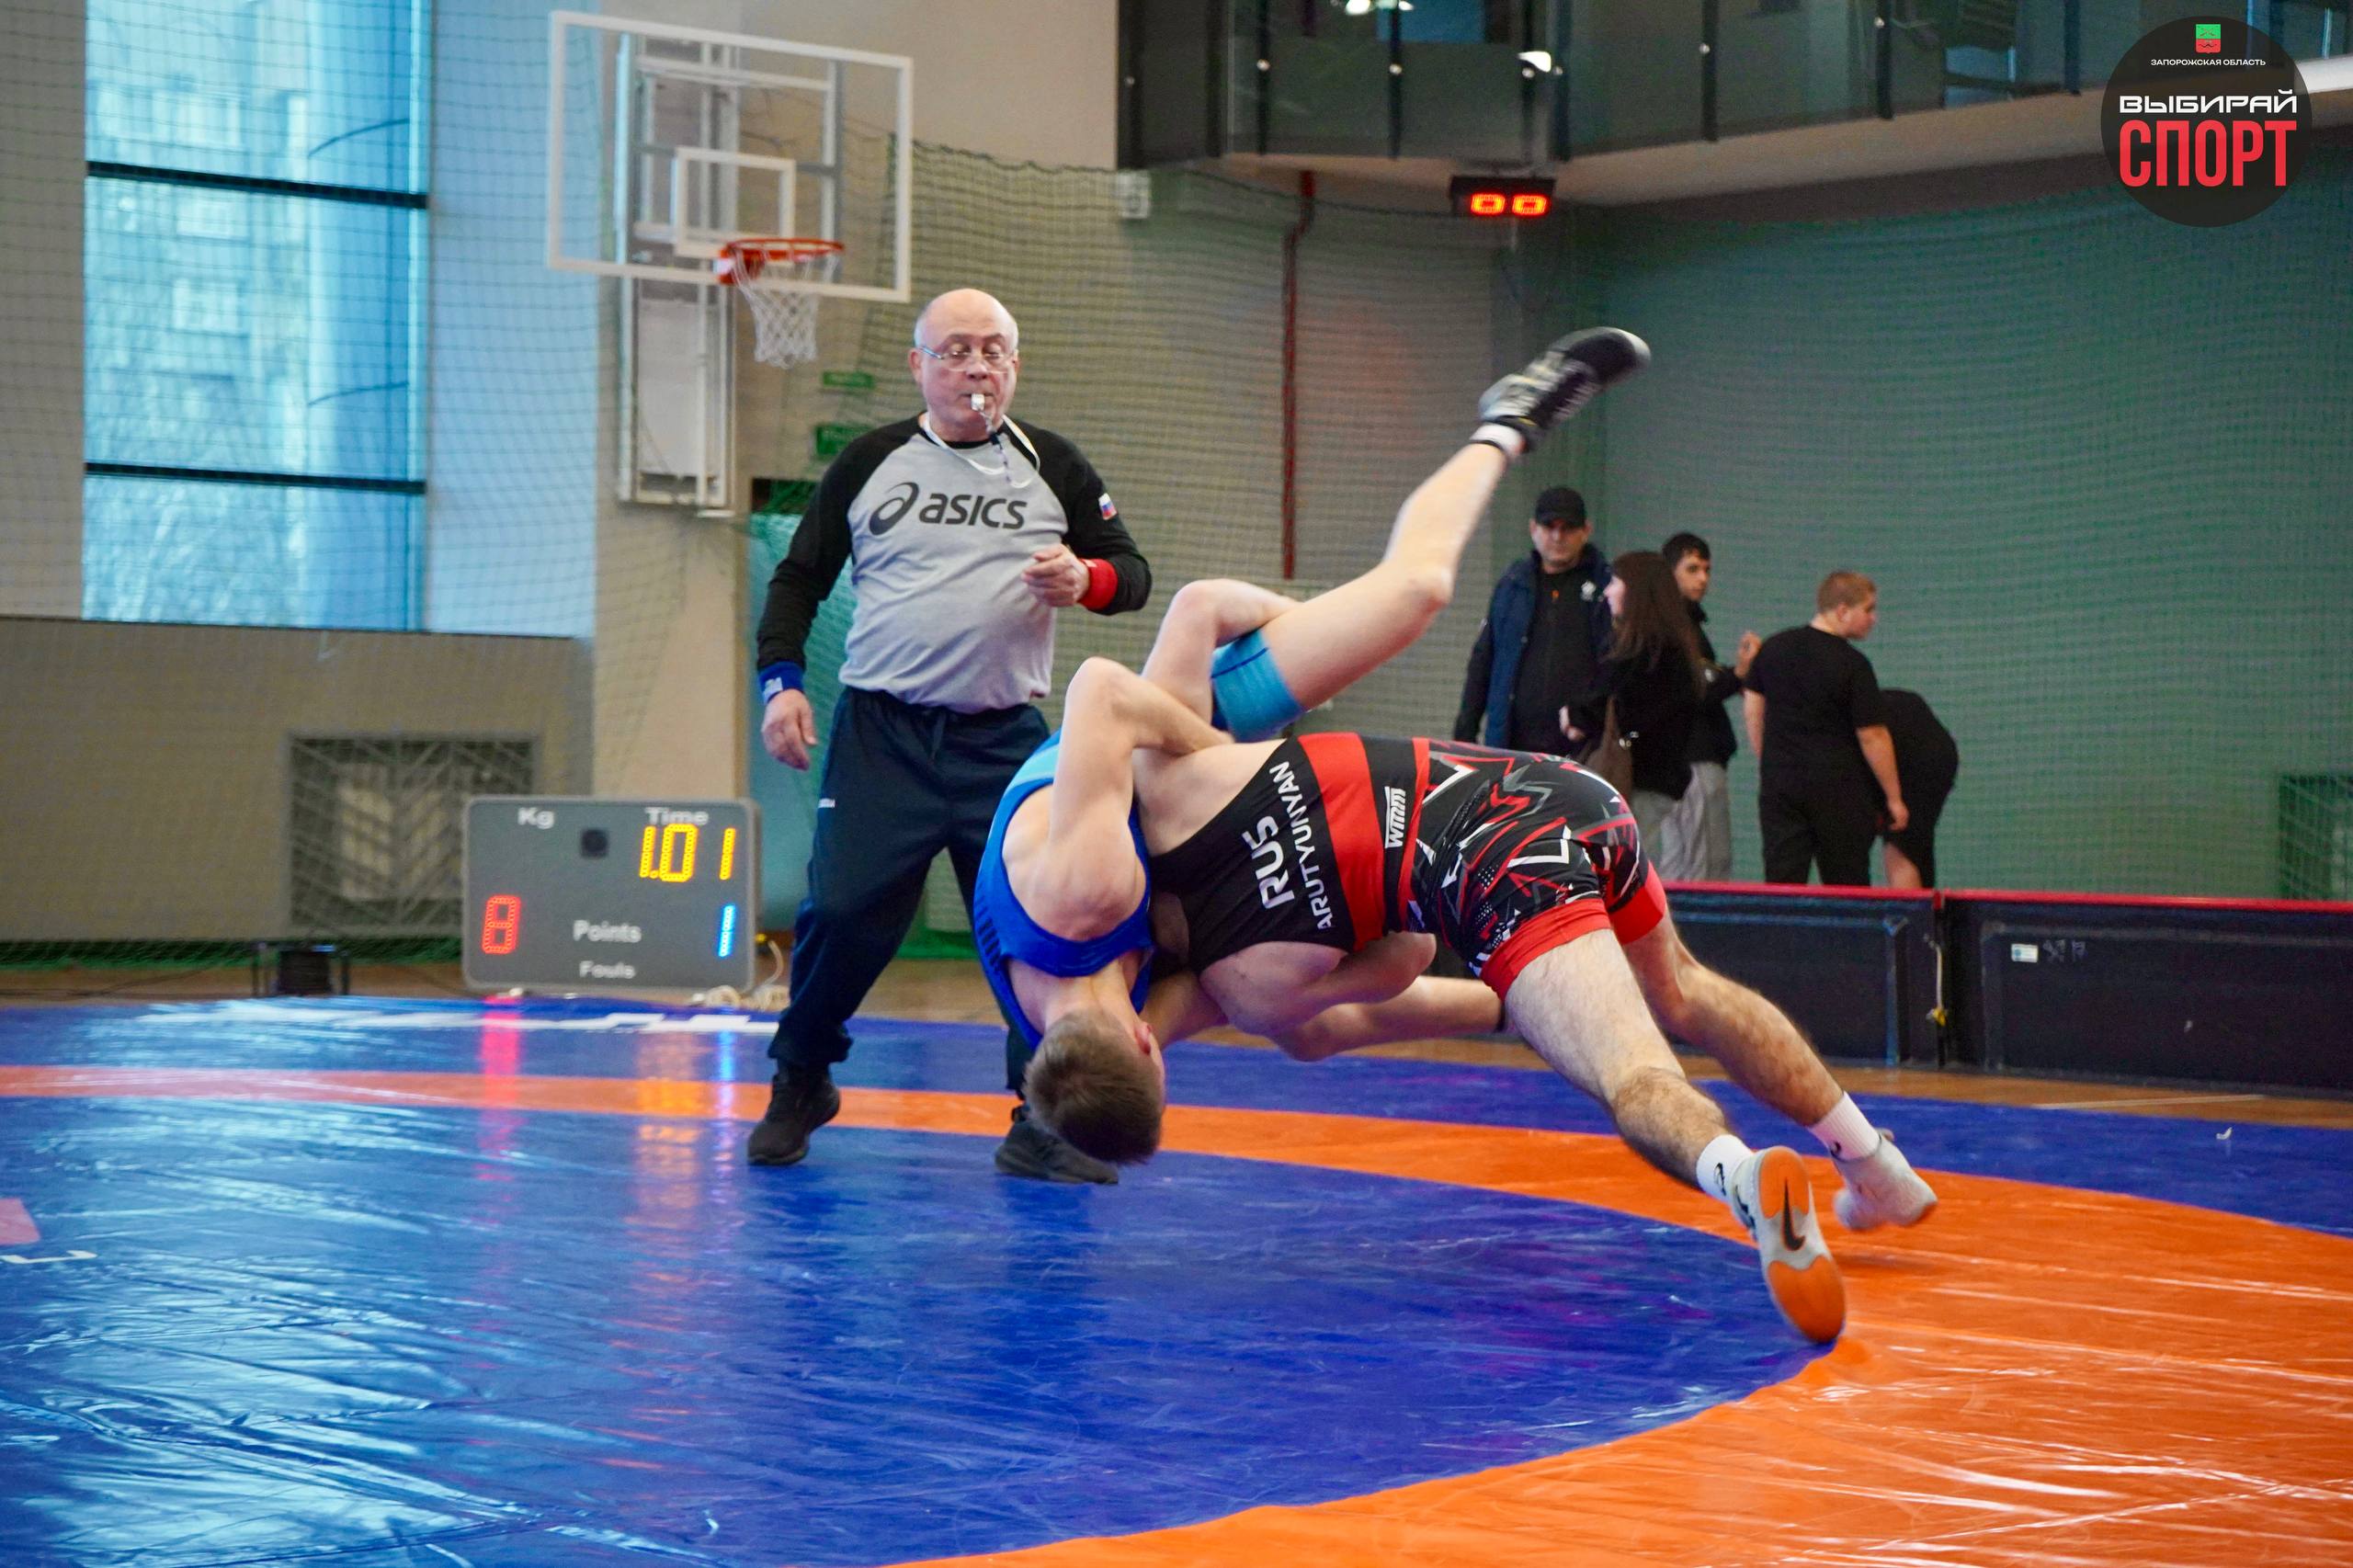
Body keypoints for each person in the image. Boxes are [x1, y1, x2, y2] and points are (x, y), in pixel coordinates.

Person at [972, 327, 1654, 1167]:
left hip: (1167, 746)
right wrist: (1516, 1003)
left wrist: (1228, 754)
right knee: (1280, 1015)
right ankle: (1506, 1004)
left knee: (1413, 592)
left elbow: (1101, 693)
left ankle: (1509, 418)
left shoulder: (1082, 895)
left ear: (1150, 1057)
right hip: (1180, 820)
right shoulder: (1110, 1027)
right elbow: (1305, 1023)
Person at [745, 288, 1152, 1180]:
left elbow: (1132, 574)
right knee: (841, 911)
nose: (976, 367)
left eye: (993, 350)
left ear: (1015, 365)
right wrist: (781, 684)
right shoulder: (871, 461)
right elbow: (798, 580)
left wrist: (1084, 578)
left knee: (1032, 928)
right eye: (956, 350)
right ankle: (801, 1077)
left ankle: (1040, 1121)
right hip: (881, 736)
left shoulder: (1055, 465)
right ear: (919, 365)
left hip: (1002, 743)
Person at [1743, 572, 1905, 888]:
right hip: (1839, 790)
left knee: (1782, 883)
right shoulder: (1853, 664)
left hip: (1780, 784)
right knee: (1846, 887)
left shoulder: (1773, 648)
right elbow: (1872, 735)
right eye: (1868, 609)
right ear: (1842, 611)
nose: (1874, 618)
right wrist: (1894, 798)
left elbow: (1753, 709)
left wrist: (1770, 760)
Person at [1453, 486, 1614, 762]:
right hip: (1511, 747)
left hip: (1580, 750)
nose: (1557, 537)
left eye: (1568, 528)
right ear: (1533, 529)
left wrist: (1587, 714)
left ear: (1586, 530)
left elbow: (1614, 665)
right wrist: (1464, 736)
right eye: (1549, 526)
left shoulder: (1605, 588)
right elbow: (1484, 660)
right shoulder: (1513, 585)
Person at [1661, 532, 1759, 881]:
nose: (1702, 578)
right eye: (1692, 569)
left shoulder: (1681, 624)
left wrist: (1735, 676)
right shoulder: (1673, 627)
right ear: (1669, 572)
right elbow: (1695, 689)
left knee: (1687, 863)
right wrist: (1740, 674)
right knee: (1701, 865)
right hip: (1693, 759)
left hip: (1684, 760)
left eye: (1706, 569)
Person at [1597, 551, 1707, 858]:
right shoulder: (1671, 647)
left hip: (1641, 778)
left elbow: (1625, 707)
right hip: (1655, 780)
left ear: (1635, 591)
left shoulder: (1648, 652)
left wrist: (1578, 715)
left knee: (1631, 865)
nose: (1607, 591)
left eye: (1615, 583)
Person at [1879, 688, 1958, 888]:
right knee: (1913, 844)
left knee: (1901, 846)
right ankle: (1922, 904)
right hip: (1930, 746)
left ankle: (1910, 907)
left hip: (1915, 752)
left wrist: (1894, 800)